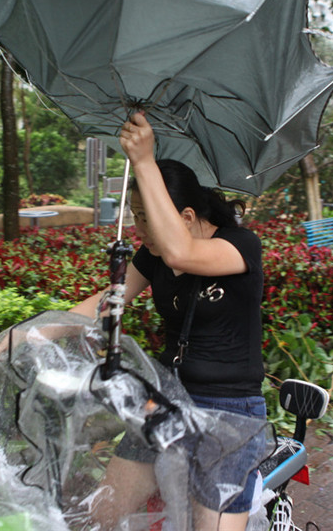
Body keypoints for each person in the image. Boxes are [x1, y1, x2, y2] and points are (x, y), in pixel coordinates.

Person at [68, 112, 267, 531]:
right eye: (135, 215)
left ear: (187, 217)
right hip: (168, 402)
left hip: (230, 412)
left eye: (148, 217)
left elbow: (182, 253)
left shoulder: (240, 245)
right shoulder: (153, 255)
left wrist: (144, 160)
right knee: (102, 514)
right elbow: (107, 301)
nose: (140, 229)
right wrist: (30, 332)